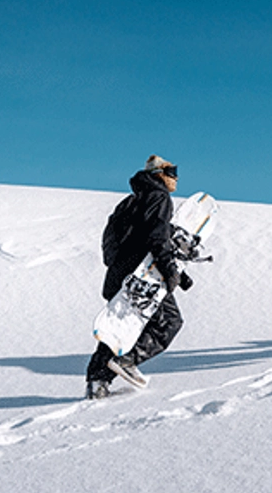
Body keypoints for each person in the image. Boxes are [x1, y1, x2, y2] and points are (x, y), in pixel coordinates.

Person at [85, 155, 185, 399]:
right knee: (168, 322)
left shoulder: (128, 203)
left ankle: (97, 381)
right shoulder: (159, 196)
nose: (176, 176)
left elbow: (114, 241)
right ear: (157, 174)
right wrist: (169, 269)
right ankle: (127, 360)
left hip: (119, 275)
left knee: (121, 326)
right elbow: (157, 238)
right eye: (171, 170)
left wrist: (179, 274)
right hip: (142, 279)